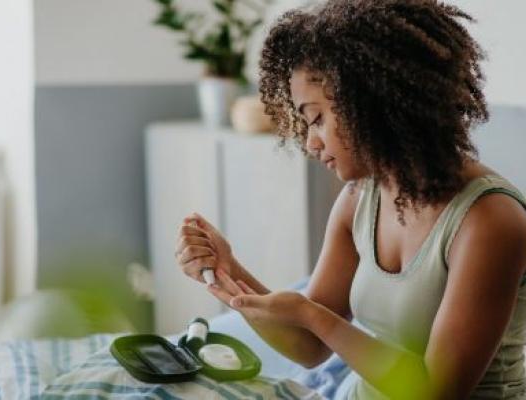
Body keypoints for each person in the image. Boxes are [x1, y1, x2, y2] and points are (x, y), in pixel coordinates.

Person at [174, 0, 526, 398]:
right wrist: (228, 270)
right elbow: (308, 347)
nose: (310, 142)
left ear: (371, 102)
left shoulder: (490, 220)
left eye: (317, 118)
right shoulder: (359, 200)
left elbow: (435, 391)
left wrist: (314, 315)